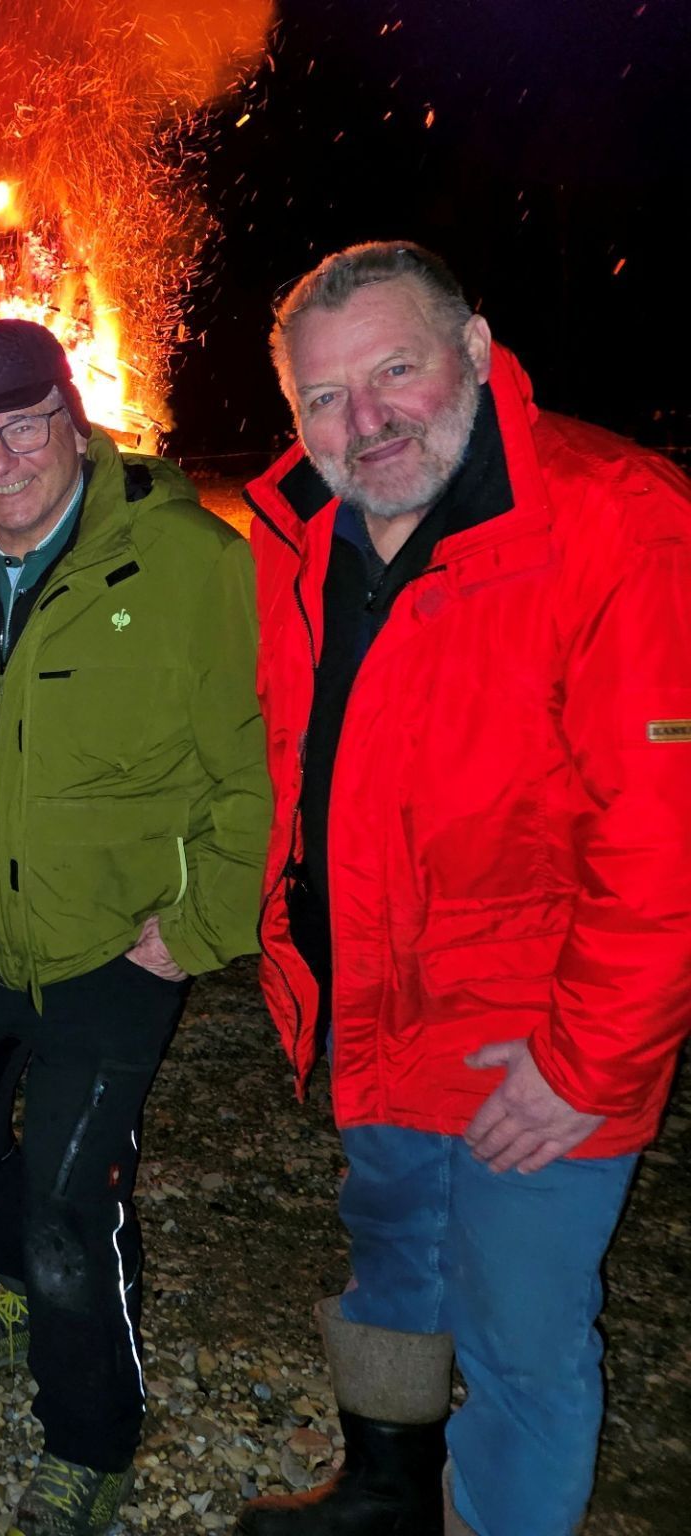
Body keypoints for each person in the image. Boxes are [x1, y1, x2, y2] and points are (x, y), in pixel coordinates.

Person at [237, 242, 691, 1536]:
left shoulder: (616, 522)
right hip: (378, 997)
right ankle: (386, 1490)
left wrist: (588, 1063)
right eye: (324, 396)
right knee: (393, 1259)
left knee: (519, 1344)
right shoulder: (307, 531)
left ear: (478, 354)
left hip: (536, 1035)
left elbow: (664, 844)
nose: (363, 419)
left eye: (396, 370)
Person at [0, 318, 268, 1534]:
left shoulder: (190, 562)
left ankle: (88, 1440)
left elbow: (252, 763)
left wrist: (202, 922)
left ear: (72, 417)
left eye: (22, 424)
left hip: (114, 944)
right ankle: (28, 1288)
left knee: (63, 1203)